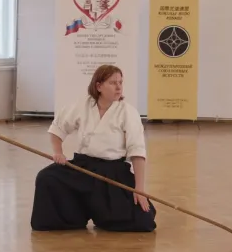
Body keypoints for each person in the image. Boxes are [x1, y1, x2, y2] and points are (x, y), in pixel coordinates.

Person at [30, 64, 157, 232]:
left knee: (143, 220)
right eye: (113, 83)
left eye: (120, 82)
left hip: (113, 172)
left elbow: (137, 152)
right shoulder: (84, 105)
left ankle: (104, 214)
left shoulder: (128, 112)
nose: (118, 87)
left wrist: (139, 190)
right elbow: (58, 128)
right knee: (46, 178)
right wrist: (58, 152)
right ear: (99, 86)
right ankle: (74, 217)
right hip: (83, 167)